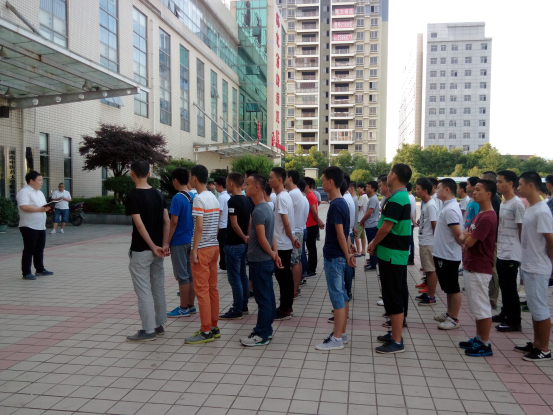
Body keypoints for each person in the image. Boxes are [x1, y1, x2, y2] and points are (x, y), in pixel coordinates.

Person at [368, 164, 412, 353]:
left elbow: (386, 227)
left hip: (393, 255)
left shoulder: (398, 199)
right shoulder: (397, 197)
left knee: (393, 296)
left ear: (394, 175)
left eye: (389, 172)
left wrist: (373, 243)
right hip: (392, 254)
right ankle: (394, 333)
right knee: (392, 294)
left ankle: (397, 340)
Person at [125, 160, 169, 342]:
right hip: (159, 250)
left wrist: (152, 246)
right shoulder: (158, 194)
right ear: (149, 174)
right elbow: (167, 220)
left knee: (143, 289)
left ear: (132, 173)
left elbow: (139, 225)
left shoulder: (132, 196)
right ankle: (159, 325)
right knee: (157, 287)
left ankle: (148, 330)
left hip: (142, 249)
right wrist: (164, 244)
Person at [514, 171, 553, 361]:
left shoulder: (542, 211)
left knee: (540, 308)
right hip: (529, 265)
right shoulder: (531, 208)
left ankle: (544, 349)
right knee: (533, 306)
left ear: (531, 185)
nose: (518, 188)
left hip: (538, 267)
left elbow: (550, 240)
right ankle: (537, 343)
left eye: (520, 184)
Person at [316, 166, 355, 351]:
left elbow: (340, 235)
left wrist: (347, 254)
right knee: (343, 295)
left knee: (337, 297)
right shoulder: (342, 203)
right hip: (339, 256)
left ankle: (337, 338)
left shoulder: (336, 205)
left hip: (334, 257)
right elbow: (345, 234)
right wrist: (348, 252)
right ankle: (341, 333)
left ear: (330, 182)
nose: (322, 183)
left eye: (323, 180)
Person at [457, 179, 498, 357]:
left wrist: (465, 238)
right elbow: (463, 237)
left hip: (479, 267)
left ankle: (485, 343)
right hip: (472, 264)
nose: (474, 192)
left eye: (478, 190)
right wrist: (464, 238)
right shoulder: (480, 214)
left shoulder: (488, 217)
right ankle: (479, 338)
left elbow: (468, 241)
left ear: (488, 194)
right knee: (476, 306)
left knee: (481, 307)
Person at [242, 174, 283, 346]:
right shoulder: (266, 207)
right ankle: (267, 329)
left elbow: (262, 238)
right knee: (268, 296)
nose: (244, 186)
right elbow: (271, 235)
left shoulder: (259, 210)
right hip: (265, 260)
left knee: (263, 299)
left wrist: (274, 254)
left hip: (260, 261)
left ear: (257, 187)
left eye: (247, 184)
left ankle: (262, 334)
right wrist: (275, 253)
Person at [185, 165, 221, 344]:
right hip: (214, 246)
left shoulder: (199, 199)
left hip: (202, 249)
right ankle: (214, 326)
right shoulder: (214, 197)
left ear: (194, 178)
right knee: (212, 288)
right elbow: (216, 224)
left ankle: (205, 330)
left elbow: (198, 227)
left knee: (202, 290)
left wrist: (194, 250)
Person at [493, 171, 525, 332]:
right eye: (497, 181)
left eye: (500, 181)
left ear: (511, 183)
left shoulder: (517, 204)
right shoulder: (504, 202)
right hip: (502, 251)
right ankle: (505, 313)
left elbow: (522, 229)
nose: (497, 184)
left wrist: (522, 251)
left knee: (510, 287)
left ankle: (514, 321)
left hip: (512, 253)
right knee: (504, 285)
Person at [269, 167, 300, 320]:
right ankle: (286, 306)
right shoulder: (284, 196)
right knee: (285, 275)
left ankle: (284, 309)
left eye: (271, 178)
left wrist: (292, 238)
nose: (269, 181)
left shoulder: (281, 197)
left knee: (283, 277)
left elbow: (286, 222)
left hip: (281, 243)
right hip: (284, 242)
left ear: (280, 179)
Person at [219, 173, 251, 320]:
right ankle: (244, 306)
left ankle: (237, 309)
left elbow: (234, 224)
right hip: (243, 244)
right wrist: (247, 237)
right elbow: (249, 221)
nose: (226, 185)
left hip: (233, 244)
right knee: (243, 275)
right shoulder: (246, 200)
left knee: (235, 279)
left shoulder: (232, 201)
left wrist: (243, 236)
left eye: (226, 182)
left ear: (231, 183)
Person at [433, 178, 463, 330]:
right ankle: (449, 313)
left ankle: (454, 318)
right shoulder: (447, 207)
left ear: (447, 190)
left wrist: (463, 246)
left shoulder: (450, 209)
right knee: (448, 287)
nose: (436, 191)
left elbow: (458, 235)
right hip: (443, 254)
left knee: (452, 287)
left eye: (438, 188)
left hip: (448, 255)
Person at [167, 168, 196, 318]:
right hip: (191, 239)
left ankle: (183, 308)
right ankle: (191, 305)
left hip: (178, 240)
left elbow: (173, 222)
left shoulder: (177, 198)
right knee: (190, 274)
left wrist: (167, 241)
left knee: (182, 276)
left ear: (175, 181)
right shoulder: (193, 196)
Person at [16, 171, 53, 280]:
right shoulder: (24, 192)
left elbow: (42, 207)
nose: (42, 182)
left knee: (39, 248)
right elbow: (24, 206)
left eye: (42, 180)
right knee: (29, 249)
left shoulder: (39, 193)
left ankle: (40, 269)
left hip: (40, 225)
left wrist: (47, 207)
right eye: (39, 180)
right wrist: (40, 209)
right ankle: (26, 272)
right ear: (31, 181)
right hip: (29, 225)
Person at [415, 178, 439, 306]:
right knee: (428, 269)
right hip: (425, 240)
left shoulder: (430, 205)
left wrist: (436, 243)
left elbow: (435, 225)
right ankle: (429, 293)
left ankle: (431, 296)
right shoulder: (427, 204)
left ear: (425, 191)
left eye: (418, 189)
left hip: (429, 241)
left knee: (430, 269)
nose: (416, 191)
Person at [480, 171, 501, 309]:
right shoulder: (493, 198)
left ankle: (492, 299)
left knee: (491, 269)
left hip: (491, 240)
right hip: (489, 239)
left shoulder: (493, 199)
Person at [285, 170, 306, 297]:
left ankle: (293, 290)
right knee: (297, 261)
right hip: (298, 230)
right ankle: (296, 288)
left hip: (294, 232)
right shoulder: (298, 193)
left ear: (290, 178)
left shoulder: (292, 194)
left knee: (293, 263)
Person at [304, 177, 324, 277]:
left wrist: (319, 221)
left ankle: (312, 269)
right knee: (310, 247)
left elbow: (314, 212)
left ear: (307, 186)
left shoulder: (310, 196)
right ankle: (310, 267)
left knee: (311, 248)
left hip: (311, 225)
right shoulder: (310, 195)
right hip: (310, 225)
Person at [342, 174, 357, 300]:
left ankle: (347, 292)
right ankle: (347, 291)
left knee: (346, 264)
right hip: (348, 233)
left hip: (345, 236)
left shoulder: (344, 200)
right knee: (348, 263)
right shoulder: (348, 197)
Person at [363, 181, 380, 271]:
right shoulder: (372, 198)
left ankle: (373, 264)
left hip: (371, 225)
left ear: (373, 189)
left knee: (371, 244)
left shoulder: (373, 199)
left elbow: (369, 213)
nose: (366, 188)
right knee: (371, 243)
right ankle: (372, 261)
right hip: (370, 224)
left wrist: (362, 220)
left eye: (368, 187)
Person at [215, 177, 230, 274]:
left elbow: (219, 212)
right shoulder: (228, 196)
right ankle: (225, 264)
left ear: (220, 186)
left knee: (222, 246)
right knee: (225, 246)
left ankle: (223, 266)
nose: (215, 187)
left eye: (216, 185)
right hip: (227, 225)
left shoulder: (221, 197)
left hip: (222, 225)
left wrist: (216, 226)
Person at [297, 179, 310, 281]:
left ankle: (302, 275)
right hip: (304, 228)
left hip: (300, 229)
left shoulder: (299, 199)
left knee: (300, 255)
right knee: (302, 254)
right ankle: (303, 275)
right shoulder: (305, 199)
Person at [356, 183, 368, 259]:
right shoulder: (365, 196)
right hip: (363, 218)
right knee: (363, 236)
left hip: (359, 219)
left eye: (358, 188)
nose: (357, 190)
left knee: (356, 236)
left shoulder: (362, 197)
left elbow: (358, 207)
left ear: (362, 188)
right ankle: (363, 251)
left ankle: (358, 251)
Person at [406, 182, 416, 265]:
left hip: (408, 222)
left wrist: (412, 220)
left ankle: (410, 258)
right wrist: (414, 220)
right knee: (411, 241)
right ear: (412, 189)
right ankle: (411, 257)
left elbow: (409, 211)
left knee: (408, 241)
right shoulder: (413, 197)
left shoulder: (407, 198)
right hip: (411, 222)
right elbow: (414, 209)